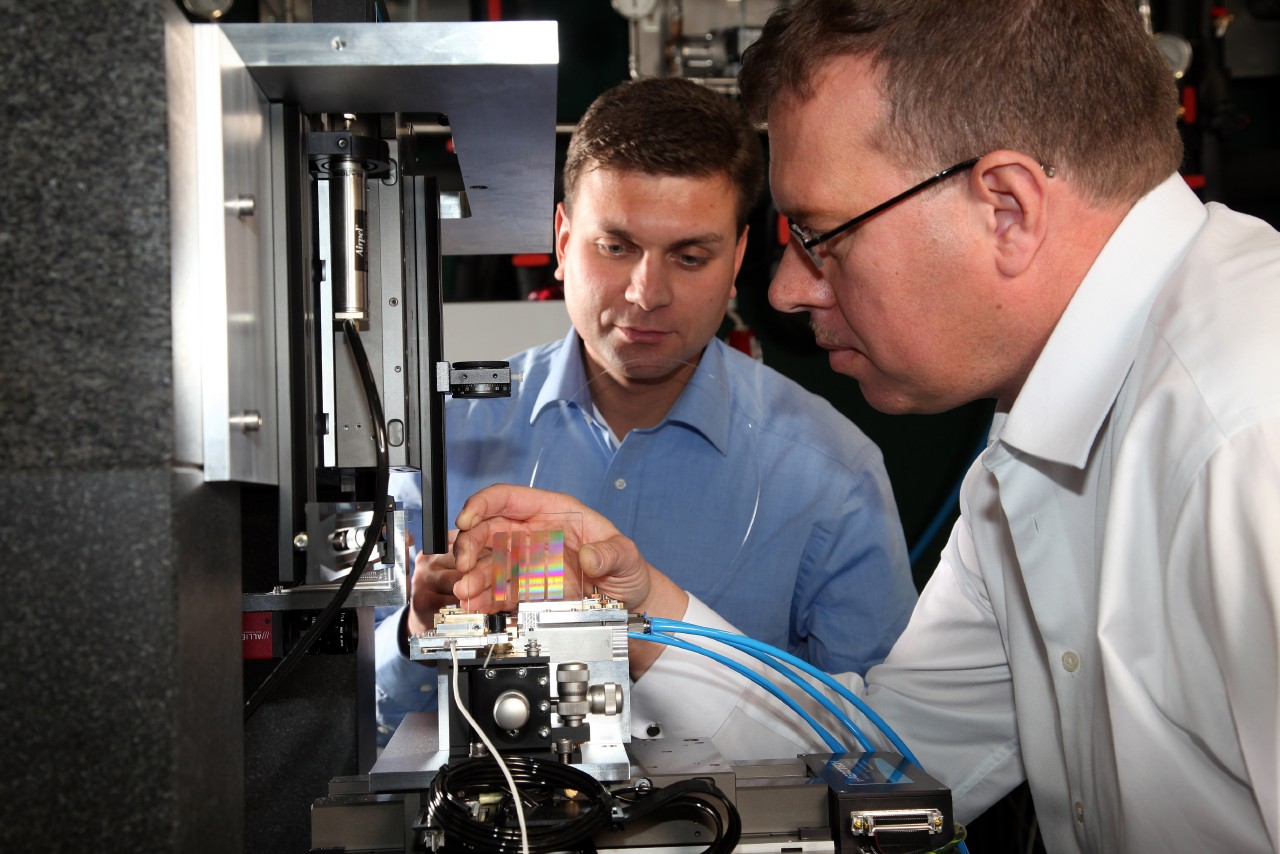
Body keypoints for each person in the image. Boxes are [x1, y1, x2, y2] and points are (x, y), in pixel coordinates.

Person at [445, 1, 1280, 851]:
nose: (786, 292)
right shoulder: (1031, 451)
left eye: (821, 237)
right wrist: (641, 608)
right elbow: (883, 762)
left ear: (1007, 209)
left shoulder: (1250, 430)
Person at [374, 76, 918, 743]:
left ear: (739, 257)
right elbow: (359, 696)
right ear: (563, 238)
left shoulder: (833, 479)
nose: (646, 292)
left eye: (689, 256)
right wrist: (415, 631)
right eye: (616, 247)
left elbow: (877, 752)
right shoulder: (446, 436)